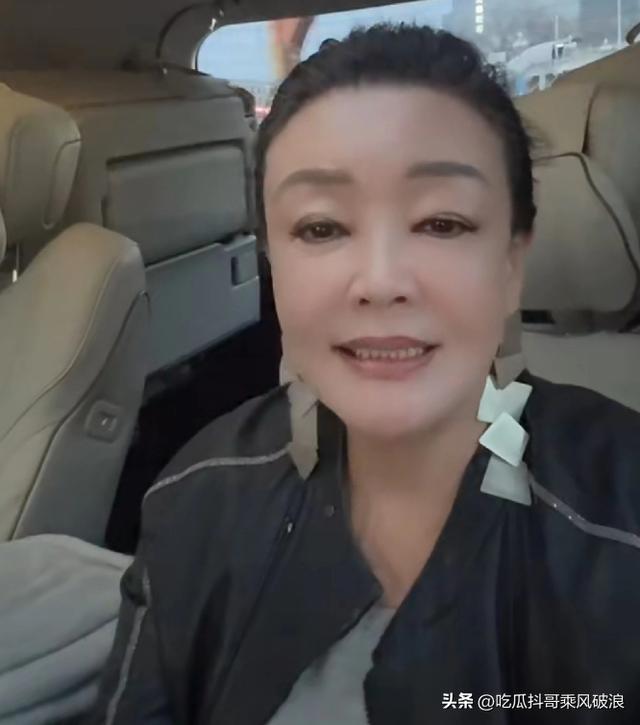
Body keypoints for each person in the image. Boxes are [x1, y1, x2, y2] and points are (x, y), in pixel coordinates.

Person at [89, 24, 640, 724]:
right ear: (273, 265)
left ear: (511, 262)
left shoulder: (623, 520)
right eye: (321, 228)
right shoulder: (196, 498)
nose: (380, 282)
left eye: (442, 223)